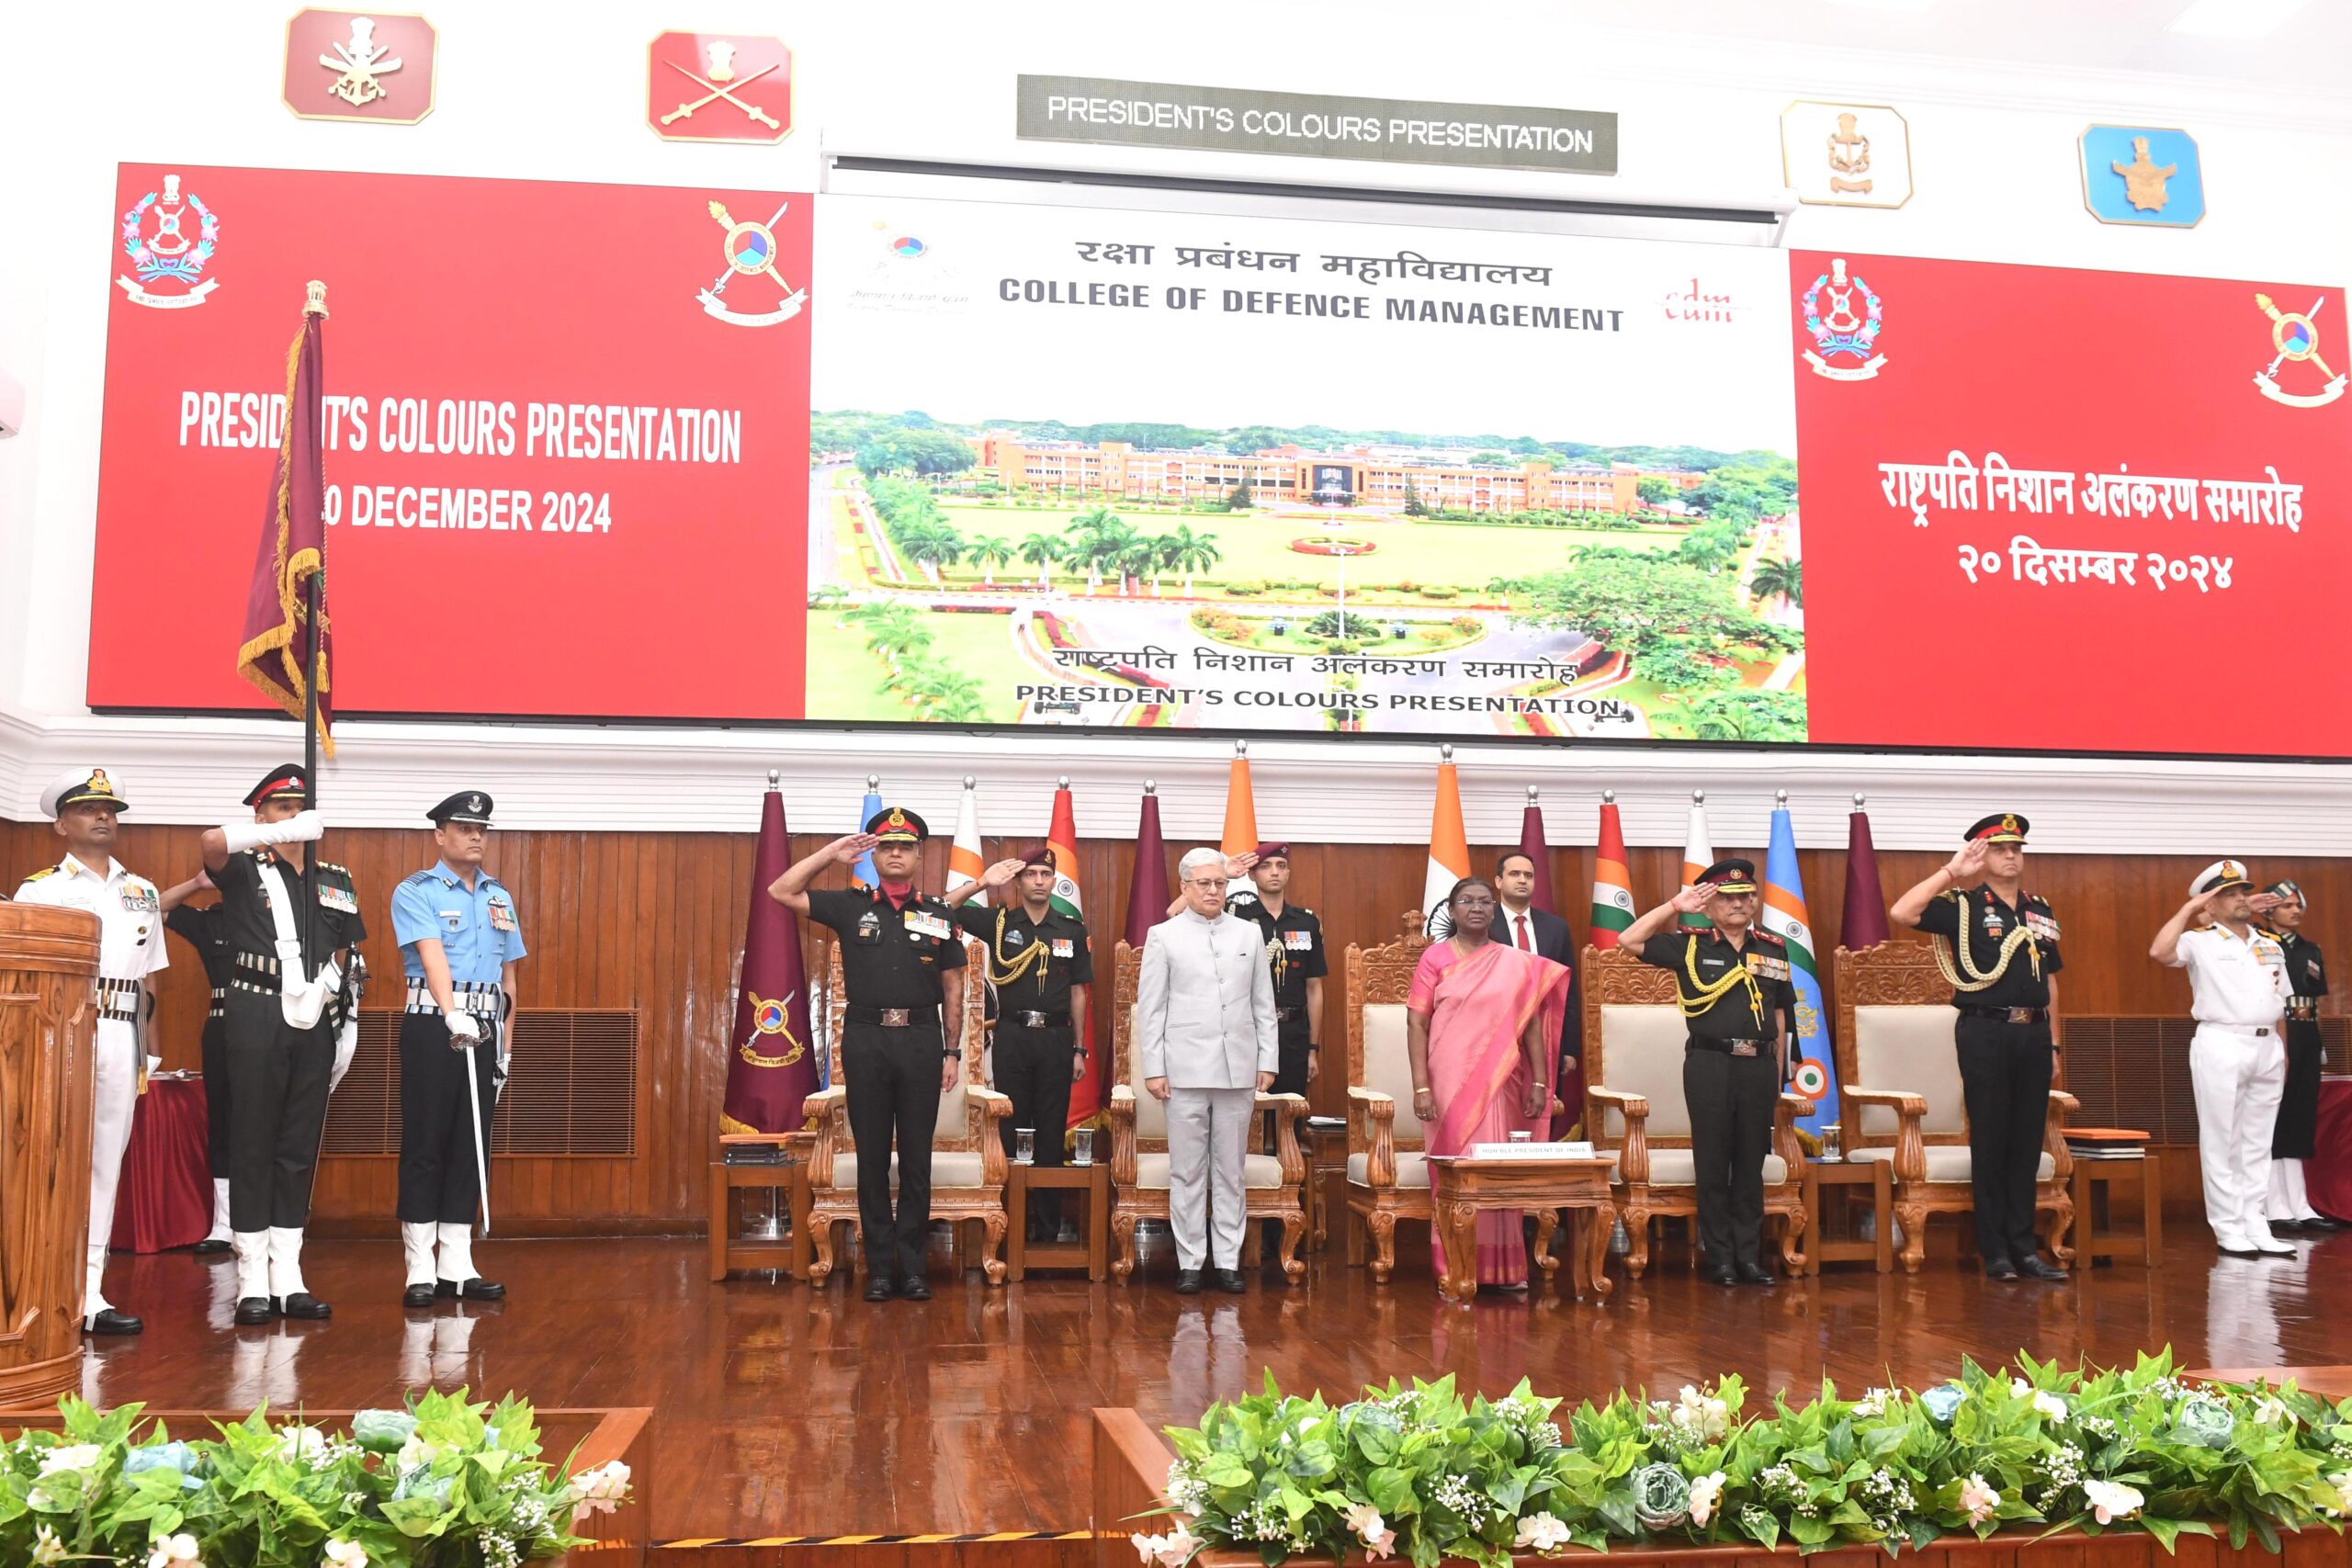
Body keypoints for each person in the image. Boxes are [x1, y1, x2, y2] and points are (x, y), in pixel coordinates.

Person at [769, 807, 966, 1302]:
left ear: (920, 855)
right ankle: (880, 1269)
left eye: (905, 846)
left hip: (922, 1039)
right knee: (873, 1158)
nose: (895, 853)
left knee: (917, 1158)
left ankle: (914, 1269)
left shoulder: (940, 913)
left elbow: (953, 987)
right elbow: (781, 891)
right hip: (866, 1039)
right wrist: (831, 854)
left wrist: (952, 1052)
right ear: (874, 854)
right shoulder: (849, 906)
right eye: (886, 846)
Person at [197, 763, 367, 1324]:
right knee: (253, 1137)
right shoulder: (246, 867)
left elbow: (346, 950)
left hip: (313, 1012)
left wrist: (341, 1013)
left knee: (298, 1143)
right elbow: (211, 843)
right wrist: (276, 835)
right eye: (280, 807)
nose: (292, 814)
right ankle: (251, 1279)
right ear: (261, 816)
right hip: (254, 1007)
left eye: (299, 807)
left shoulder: (334, 876)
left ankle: (288, 1275)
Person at [13, 767, 167, 1336]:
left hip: (123, 1033)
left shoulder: (142, 891)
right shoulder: (40, 890)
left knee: (106, 1165)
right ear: (60, 825)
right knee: (52, 1162)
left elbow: (151, 983)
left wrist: (152, 1055)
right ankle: (42, 1287)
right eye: (87, 809)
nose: (104, 817)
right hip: (62, 1033)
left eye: (110, 810)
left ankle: (89, 1292)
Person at [1888, 812, 2069, 1281]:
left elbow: (2049, 980)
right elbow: (1902, 913)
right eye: (1999, 849)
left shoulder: (2039, 909)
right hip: (1985, 1030)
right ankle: (1996, 1252)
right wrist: (1952, 871)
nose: (2011, 856)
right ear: (1981, 855)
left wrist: (2054, 1047)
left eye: (2017, 848)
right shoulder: (1964, 906)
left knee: (2027, 1140)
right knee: (1991, 1138)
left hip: (2032, 1033)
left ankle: (2024, 1247)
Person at [1617, 858, 1796, 1287]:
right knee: (1714, 1161)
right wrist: (1674, 905)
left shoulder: (1772, 947)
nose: (1739, 904)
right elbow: (1628, 939)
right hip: (1710, 1064)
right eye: (1728, 897)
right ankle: (1720, 1259)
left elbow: (1779, 1013)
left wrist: (1778, 1073)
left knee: (1751, 1162)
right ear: (1710, 904)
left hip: (1758, 1065)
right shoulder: (1690, 944)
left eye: (1747, 896)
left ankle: (1749, 1258)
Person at [390, 790, 526, 1308]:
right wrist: (452, 1014)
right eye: (464, 828)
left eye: (481, 830)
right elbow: (432, 958)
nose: (475, 837)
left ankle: (458, 1264)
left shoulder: (499, 897)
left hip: (487, 1027)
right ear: (439, 835)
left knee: (473, 1145)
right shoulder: (417, 891)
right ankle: (420, 1266)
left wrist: (507, 1049)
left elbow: (509, 976)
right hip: (433, 1024)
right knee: (427, 1142)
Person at [1405, 876, 1570, 1290]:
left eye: (1484, 901)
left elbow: (1531, 1022)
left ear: (1494, 910)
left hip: (1501, 1080)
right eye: (1466, 901)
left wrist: (1540, 1081)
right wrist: (1421, 1086)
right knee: (1456, 1170)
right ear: (1452, 909)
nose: (1476, 908)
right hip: (1448, 1079)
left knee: (1497, 1171)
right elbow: (1416, 1021)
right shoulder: (1435, 958)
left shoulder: (1515, 960)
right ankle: (1455, 1268)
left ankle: (1502, 1270)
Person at [1135, 847, 1277, 1295]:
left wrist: (1267, 1060)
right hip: (1183, 1070)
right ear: (1185, 887)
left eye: (1220, 883)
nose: (1214, 890)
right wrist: (1154, 1068)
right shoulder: (1164, 936)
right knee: (1189, 1171)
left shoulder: (1248, 934)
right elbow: (1151, 1010)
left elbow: (1263, 1004)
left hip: (1239, 1068)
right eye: (1204, 883)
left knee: (1231, 1170)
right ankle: (1191, 1261)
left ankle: (1229, 1261)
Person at [2153, 861, 2292, 1258]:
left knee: (2258, 1142)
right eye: (2228, 894)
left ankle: (2255, 1222)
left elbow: (2279, 1003)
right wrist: (2187, 910)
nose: (2240, 898)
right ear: (2209, 906)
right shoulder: (2200, 940)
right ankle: (2228, 1226)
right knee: (2222, 1139)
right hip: (2222, 1042)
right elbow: (2159, 952)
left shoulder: (2270, 943)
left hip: (2266, 1045)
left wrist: (2281, 1054)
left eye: (2242, 892)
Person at [953, 843, 1091, 1239]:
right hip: (1012, 1037)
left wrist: (1079, 1048)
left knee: (1050, 1133)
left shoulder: (1070, 929)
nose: (1039, 881)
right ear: (1017, 881)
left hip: (1056, 1039)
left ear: (1054, 880)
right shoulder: (1000, 922)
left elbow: (1080, 992)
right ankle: (1010, 1226)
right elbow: (946, 909)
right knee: (1011, 1131)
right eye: (1030, 874)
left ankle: (1047, 1231)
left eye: (1045, 875)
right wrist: (981, 881)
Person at [160, 869, 234, 1254]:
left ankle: (272, 1220)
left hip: (279, 1028)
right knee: (222, 1123)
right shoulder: (212, 920)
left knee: (271, 1124)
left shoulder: (280, 915)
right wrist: (195, 884)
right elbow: (156, 909)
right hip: (224, 1026)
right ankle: (224, 1225)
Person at [2258, 881, 2338, 1233]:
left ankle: (2299, 1203)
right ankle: (2272, 1203)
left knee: (2302, 1114)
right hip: (2276, 1030)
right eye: (2287, 905)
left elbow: (2314, 1000)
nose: (2296, 911)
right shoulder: (2259, 945)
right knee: (2274, 1117)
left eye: (2298, 905)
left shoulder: (2310, 949)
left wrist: (2317, 1043)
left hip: (2305, 1034)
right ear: (2269, 909)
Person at [1491, 850, 1581, 1133]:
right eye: (1514, 874)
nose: (1522, 880)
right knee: (1498, 1115)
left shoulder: (1556, 928)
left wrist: (1568, 1047)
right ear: (1498, 881)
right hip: (1496, 1034)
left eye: (1528, 875)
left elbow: (1569, 991)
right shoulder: (1481, 925)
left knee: (1542, 1113)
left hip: (1546, 1035)